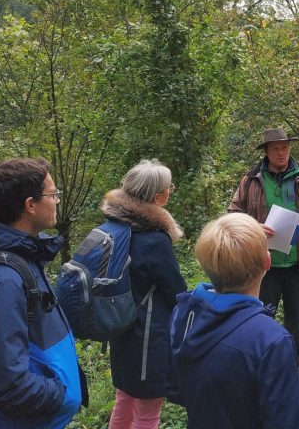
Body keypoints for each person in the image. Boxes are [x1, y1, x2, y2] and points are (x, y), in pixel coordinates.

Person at [168, 213, 299, 429]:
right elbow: (288, 422)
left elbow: (175, 388)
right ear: (267, 261)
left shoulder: (184, 313)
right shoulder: (271, 340)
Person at [0, 158, 84, 429]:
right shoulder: (0, 280)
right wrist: (61, 394)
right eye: (53, 194)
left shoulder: (21, 254)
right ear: (30, 205)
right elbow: (6, 385)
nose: (57, 200)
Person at [228, 127, 299, 360]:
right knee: (262, 318)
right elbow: (233, 215)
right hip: (263, 265)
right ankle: (261, 366)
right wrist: (254, 227)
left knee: (295, 319)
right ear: (266, 152)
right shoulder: (250, 180)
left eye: (285, 148)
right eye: (276, 148)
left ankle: (291, 366)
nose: (281, 153)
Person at [105, 159, 187, 429]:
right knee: (148, 410)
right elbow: (176, 290)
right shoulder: (154, 239)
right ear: (156, 196)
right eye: (168, 187)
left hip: (119, 327)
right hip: (148, 338)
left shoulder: (115, 228)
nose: (170, 191)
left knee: (124, 399)